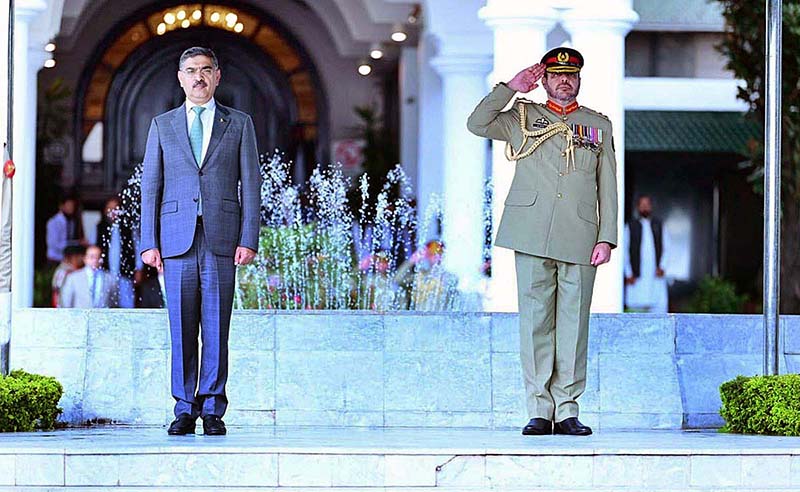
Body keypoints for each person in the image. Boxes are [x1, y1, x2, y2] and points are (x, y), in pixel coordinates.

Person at [467, 47, 618, 436]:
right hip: (531, 231)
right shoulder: (522, 116)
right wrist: (510, 88)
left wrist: (607, 237)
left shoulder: (597, 125)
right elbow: (476, 123)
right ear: (545, 79)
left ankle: (567, 409)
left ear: (579, 80)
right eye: (556, 75)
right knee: (535, 323)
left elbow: (609, 186)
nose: (564, 80)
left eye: (570, 75)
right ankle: (538, 408)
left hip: (582, 236)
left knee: (573, 324)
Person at [140, 47, 261, 436]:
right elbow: (151, 188)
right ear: (180, 77)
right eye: (191, 71)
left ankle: (212, 407)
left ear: (217, 76)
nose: (198, 77)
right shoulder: (163, 125)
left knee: (216, 326)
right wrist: (148, 241)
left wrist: (250, 238)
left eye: (205, 70)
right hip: (175, 240)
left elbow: (252, 186)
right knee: (181, 326)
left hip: (223, 238)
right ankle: (183, 406)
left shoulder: (239, 123)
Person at [624, 195, 668, 313]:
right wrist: (628, 273)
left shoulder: (659, 225)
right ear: (638, 207)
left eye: (647, 205)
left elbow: (666, 248)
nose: (645, 208)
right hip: (636, 274)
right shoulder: (630, 226)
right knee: (635, 307)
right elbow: (624, 251)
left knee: (658, 307)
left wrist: (662, 267)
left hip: (655, 273)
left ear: (651, 207)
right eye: (642, 205)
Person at [96, 197, 137, 308]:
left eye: (116, 208)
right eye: (110, 209)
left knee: (128, 306)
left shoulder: (128, 227)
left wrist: (139, 268)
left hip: (125, 273)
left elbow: (137, 248)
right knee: (104, 305)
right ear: (105, 210)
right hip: (105, 273)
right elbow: (93, 247)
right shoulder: (99, 227)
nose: (113, 212)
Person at [46, 196, 85, 265]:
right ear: (61, 206)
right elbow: (54, 244)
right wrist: (76, 243)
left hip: (68, 259)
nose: (71, 208)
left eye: (72, 206)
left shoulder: (72, 222)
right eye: (69, 206)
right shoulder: (54, 222)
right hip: (55, 259)